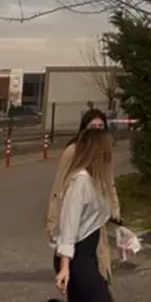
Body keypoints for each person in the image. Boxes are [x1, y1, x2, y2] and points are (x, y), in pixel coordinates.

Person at [46, 109, 119, 286]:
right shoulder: (73, 152)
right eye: (93, 126)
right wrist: (52, 220)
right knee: (83, 267)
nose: (98, 130)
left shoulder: (105, 152)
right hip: (79, 219)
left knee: (100, 261)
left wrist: (115, 211)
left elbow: (109, 183)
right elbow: (59, 185)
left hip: (96, 217)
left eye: (101, 126)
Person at [53, 128, 117, 302]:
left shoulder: (95, 181)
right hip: (77, 256)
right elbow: (69, 225)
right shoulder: (80, 182)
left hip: (88, 255)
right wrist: (65, 267)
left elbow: (97, 216)